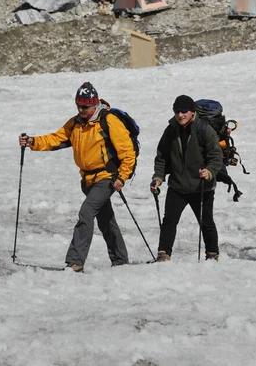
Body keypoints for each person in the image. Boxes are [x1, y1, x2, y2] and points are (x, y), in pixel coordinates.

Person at [18, 82, 135, 272]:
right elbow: (56, 139)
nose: (81, 110)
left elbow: (127, 152)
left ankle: (75, 262)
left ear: (94, 103)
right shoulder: (75, 123)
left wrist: (122, 177)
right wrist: (32, 141)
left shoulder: (109, 121)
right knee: (106, 220)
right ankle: (120, 261)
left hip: (107, 178)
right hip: (87, 180)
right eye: (78, 106)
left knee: (86, 212)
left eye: (85, 106)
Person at [150, 95, 224, 262]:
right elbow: (162, 157)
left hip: (201, 186)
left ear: (192, 111)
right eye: (177, 111)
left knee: (206, 222)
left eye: (184, 111)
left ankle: (212, 253)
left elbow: (216, 156)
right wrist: (158, 178)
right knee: (169, 221)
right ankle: (164, 253)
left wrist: (209, 171)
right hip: (177, 185)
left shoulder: (204, 129)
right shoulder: (171, 130)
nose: (180, 115)